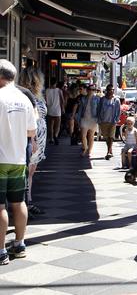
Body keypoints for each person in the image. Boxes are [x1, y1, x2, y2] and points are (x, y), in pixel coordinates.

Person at [0, 59, 37, 265]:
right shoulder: (24, 99)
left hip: (0, 159)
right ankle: (19, 243)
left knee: (0, 207)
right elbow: (31, 132)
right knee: (18, 202)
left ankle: (0, 251)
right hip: (18, 159)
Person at [18, 68, 48, 216]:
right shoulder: (27, 96)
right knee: (26, 172)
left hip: (37, 138)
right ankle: (24, 205)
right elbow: (31, 121)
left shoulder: (36, 96)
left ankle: (28, 201)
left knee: (30, 173)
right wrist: (33, 139)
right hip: (32, 138)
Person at [97, 84, 121, 160]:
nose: (111, 91)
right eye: (110, 89)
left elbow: (118, 111)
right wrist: (99, 119)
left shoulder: (116, 100)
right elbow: (98, 109)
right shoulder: (102, 99)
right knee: (106, 137)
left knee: (111, 136)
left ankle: (108, 152)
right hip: (103, 121)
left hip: (112, 121)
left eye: (112, 90)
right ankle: (110, 150)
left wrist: (116, 119)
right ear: (107, 90)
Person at [76, 85, 100, 157]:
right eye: (90, 89)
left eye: (93, 89)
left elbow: (99, 110)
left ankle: (89, 151)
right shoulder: (83, 99)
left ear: (94, 90)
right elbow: (80, 110)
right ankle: (85, 148)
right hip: (84, 119)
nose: (91, 91)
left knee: (91, 136)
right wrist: (78, 119)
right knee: (83, 135)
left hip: (93, 119)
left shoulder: (97, 99)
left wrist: (99, 119)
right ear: (87, 90)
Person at [45, 78, 64, 145]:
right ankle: (55, 135)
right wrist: (63, 108)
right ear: (56, 83)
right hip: (57, 110)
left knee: (51, 125)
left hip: (50, 110)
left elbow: (45, 100)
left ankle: (51, 138)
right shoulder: (59, 91)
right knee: (57, 125)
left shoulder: (46, 90)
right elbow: (62, 100)